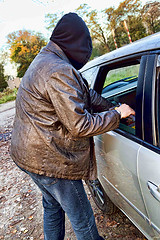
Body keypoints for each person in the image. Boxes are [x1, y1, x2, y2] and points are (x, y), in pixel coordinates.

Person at [10, 13, 135, 240]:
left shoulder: (48, 59)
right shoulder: (58, 70)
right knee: (83, 220)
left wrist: (113, 106)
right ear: (75, 42)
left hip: (29, 155)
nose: (86, 53)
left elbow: (86, 95)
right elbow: (80, 125)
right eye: (84, 46)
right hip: (51, 160)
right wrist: (116, 115)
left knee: (52, 206)